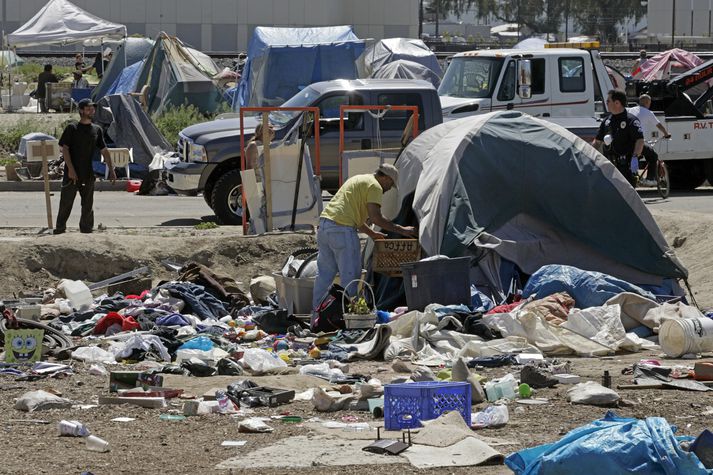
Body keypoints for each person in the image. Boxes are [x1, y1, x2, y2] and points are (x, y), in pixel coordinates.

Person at [311, 164, 417, 323]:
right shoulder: (375, 186)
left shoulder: (358, 179)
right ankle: (351, 320)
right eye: (390, 184)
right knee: (351, 277)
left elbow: (356, 218)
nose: (388, 189)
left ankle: (317, 317)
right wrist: (403, 230)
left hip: (325, 227)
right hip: (342, 231)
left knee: (325, 276)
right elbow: (376, 218)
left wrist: (372, 234)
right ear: (385, 178)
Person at [54, 98, 116, 235]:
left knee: (87, 205)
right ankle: (60, 229)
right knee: (66, 203)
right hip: (72, 174)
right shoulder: (72, 128)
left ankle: (86, 230)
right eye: (88, 108)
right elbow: (64, 149)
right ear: (81, 110)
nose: (91, 111)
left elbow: (104, 151)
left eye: (93, 108)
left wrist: (111, 170)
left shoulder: (97, 130)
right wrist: (70, 169)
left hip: (88, 174)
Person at [592, 89, 644, 187]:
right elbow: (598, 141)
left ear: (617, 103)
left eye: (608, 101)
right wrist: (589, 153)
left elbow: (640, 140)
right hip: (610, 164)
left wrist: (635, 156)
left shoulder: (631, 120)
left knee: (627, 191)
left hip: (626, 164)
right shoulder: (606, 121)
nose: (606, 103)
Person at [627, 94, 671, 186]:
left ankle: (635, 175)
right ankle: (650, 179)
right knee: (653, 156)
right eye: (650, 103)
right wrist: (666, 134)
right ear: (647, 102)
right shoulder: (648, 112)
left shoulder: (630, 110)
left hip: (626, 141)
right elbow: (658, 125)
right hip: (638, 142)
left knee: (635, 156)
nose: (650, 105)